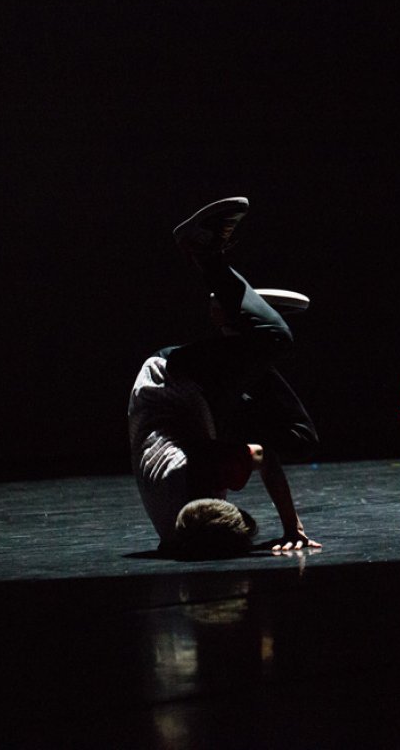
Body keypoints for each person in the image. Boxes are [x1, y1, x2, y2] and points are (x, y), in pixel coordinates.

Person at [128, 197, 320, 556]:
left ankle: (202, 249)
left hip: (170, 383)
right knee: (300, 439)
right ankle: (242, 316)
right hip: (199, 414)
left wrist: (292, 527)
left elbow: (262, 455)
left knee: (275, 339)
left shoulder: (200, 473)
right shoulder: (180, 536)